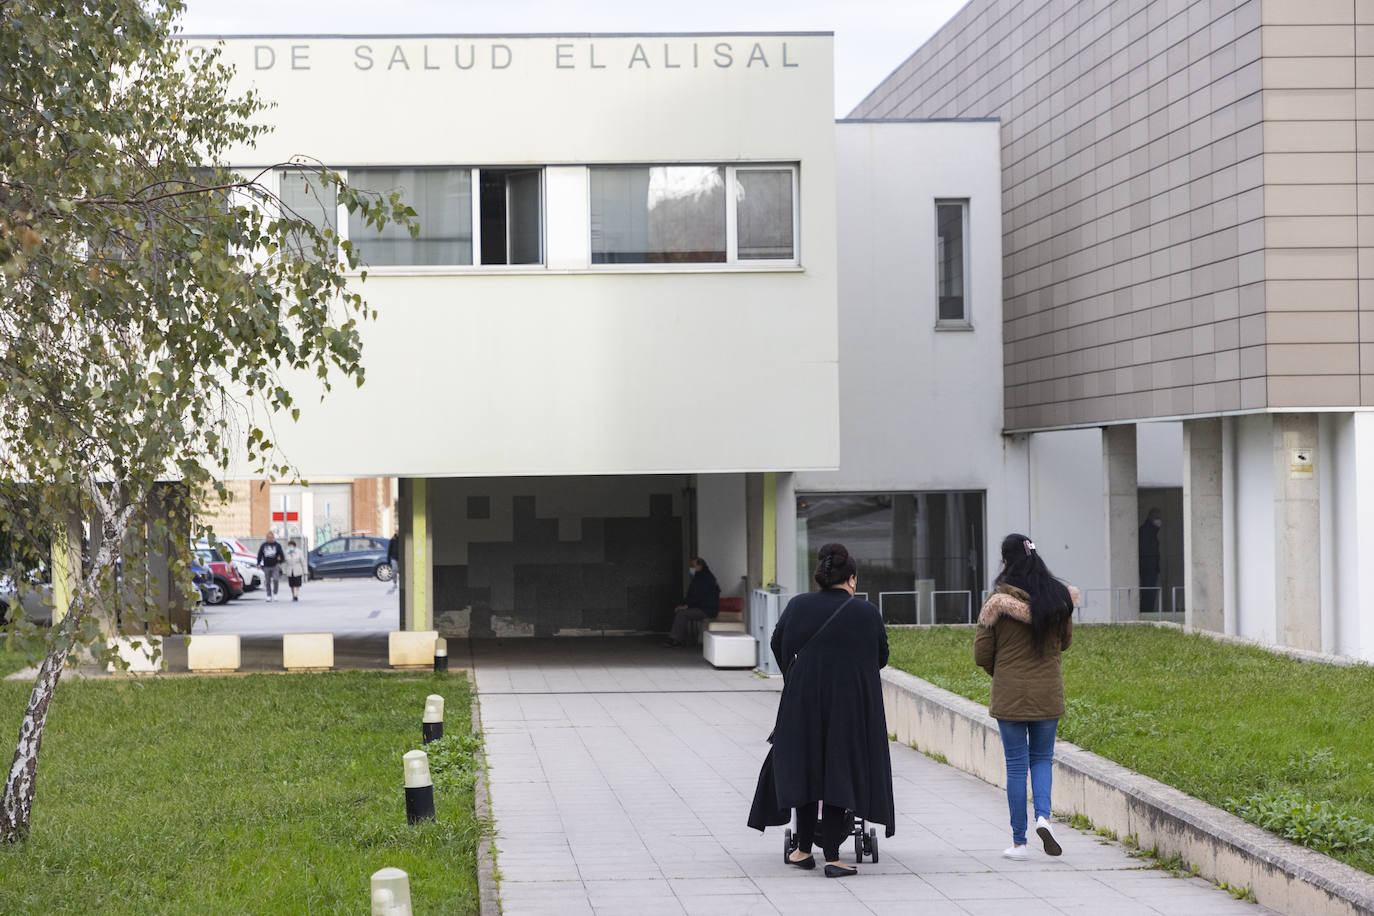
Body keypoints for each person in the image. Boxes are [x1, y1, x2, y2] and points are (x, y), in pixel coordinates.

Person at [748, 543, 895, 879]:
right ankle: (832, 856)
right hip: (847, 708)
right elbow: (881, 656)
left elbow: (776, 641)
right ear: (852, 579)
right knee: (836, 771)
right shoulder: (866, 613)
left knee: (805, 769)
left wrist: (796, 672)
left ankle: (801, 850)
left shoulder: (798, 605)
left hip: (801, 704)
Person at [975, 533, 1079, 862]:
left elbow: (981, 654)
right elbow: (1064, 643)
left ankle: (1019, 843)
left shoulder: (997, 603)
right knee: (1042, 759)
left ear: (1006, 562)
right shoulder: (1059, 600)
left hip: (1009, 693)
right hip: (1048, 691)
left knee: (1017, 766)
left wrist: (1003, 670)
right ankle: (1044, 817)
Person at [663, 556, 719, 647]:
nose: (691, 568)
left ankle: (675, 639)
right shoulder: (700, 577)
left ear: (700, 566)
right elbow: (691, 596)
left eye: (693, 566)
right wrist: (683, 604)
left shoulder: (705, 578)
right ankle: (677, 637)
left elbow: (699, 596)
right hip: (702, 607)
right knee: (681, 611)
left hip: (707, 609)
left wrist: (686, 606)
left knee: (682, 614)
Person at [1138, 508, 1162, 613]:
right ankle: (1147, 611)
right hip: (1148, 566)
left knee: (1150, 591)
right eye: (1157, 517)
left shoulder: (1151, 530)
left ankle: (1147, 610)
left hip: (1150, 566)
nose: (1159, 520)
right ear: (1151, 517)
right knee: (1149, 591)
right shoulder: (1146, 530)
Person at [256, 531, 284, 603]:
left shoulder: (277, 545)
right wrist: (258, 563)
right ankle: (268, 595)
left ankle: (275, 594)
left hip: (275, 566)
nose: (270, 539)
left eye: (271, 537)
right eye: (268, 537)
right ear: (266, 538)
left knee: (275, 580)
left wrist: (279, 562)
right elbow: (260, 555)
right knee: (267, 581)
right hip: (266, 566)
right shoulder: (263, 545)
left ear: (273, 538)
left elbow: (282, 555)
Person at [387, 529, 399, 595]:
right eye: (397, 531)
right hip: (393, 557)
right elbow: (389, 550)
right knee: (394, 570)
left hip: (401, 558)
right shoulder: (392, 539)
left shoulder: (402, 539)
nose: (398, 532)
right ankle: (395, 582)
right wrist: (388, 560)